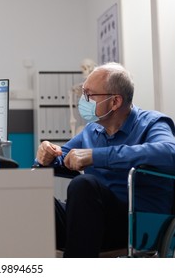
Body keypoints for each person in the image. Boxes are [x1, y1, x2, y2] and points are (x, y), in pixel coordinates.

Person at [35, 62, 175, 257]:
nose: (83, 101)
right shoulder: (93, 130)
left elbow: (169, 152)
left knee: (84, 184)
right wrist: (47, 156)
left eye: (89, 95)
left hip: (135, 223)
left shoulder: (152, 123)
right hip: (91, 219)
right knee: (35, 201)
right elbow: (64, 156)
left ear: (115, 102)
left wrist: (96, 157)